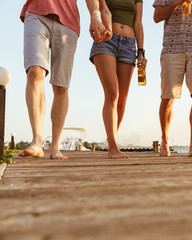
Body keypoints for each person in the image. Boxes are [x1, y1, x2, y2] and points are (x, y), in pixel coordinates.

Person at [18, 0, 82, 159]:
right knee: (35, 71)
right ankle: (37, 141)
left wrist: (95, 15)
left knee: (61, 86)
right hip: (37, 13)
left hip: (68, 21)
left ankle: (55, 145)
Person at [153, 0, 192, 157]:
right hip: (171, 47)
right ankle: (165, 140)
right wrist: (176, 2)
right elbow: (157, 17)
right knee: (168, 98)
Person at [88, 0, 147, 159]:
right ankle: (113, 146)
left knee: (122, 101)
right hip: (107, 40)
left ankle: (110, 139)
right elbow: (98, 8)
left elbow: (138, 23)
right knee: (112, 94)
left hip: (129, 44)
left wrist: (141, 52)